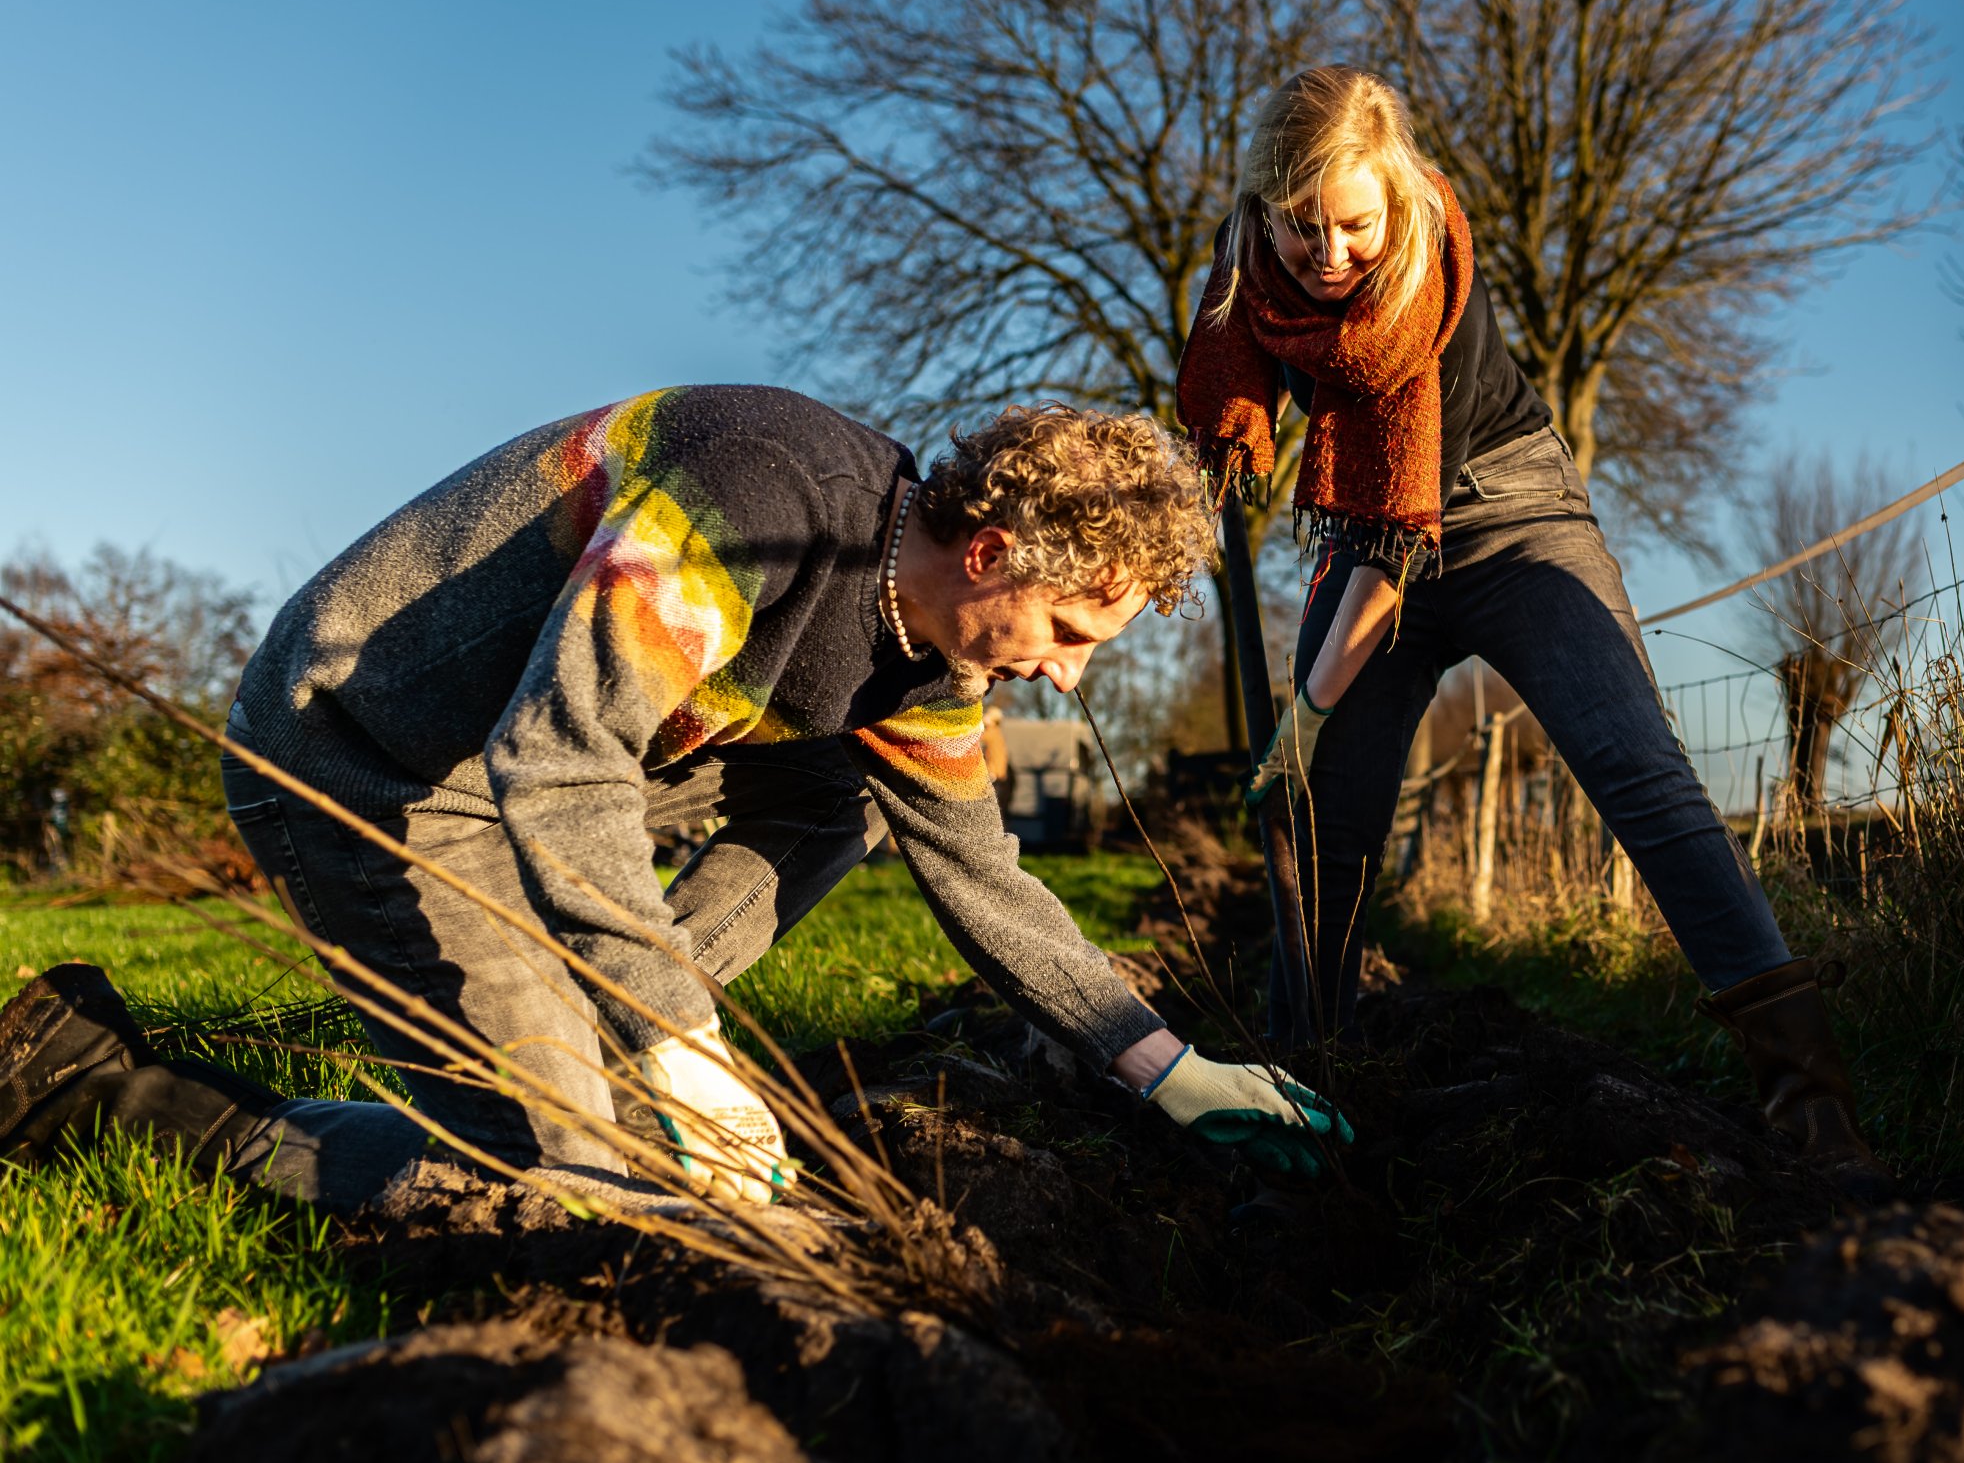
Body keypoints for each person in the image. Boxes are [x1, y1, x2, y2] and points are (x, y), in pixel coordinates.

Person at [0, 391, 1348, 1207]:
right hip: (373, 753)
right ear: (991, 552)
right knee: (568, 1182)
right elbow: (559, 756)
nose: (1065, 670)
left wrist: (1170, 1069)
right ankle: (103, 1088)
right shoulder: (758, 503)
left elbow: (985, 874)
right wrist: (684, 1039)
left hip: (540, 769)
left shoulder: (932, 657)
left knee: (849, 796)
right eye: (1067, 626)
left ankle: (609, 1033)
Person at [1176, 67, 1880, 1177]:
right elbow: (1234, 386)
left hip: (1508, 520)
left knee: (1636, 769)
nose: (1329, 254)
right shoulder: (1247, 262)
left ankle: (1810, 1101)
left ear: (1394, 197)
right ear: (1262, 206)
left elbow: (1388, 541)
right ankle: (1308, 1076)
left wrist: (1305, 710)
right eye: (1302, 226)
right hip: (1367, 533)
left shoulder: (1425, 273)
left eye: (1354, 223)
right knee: (1316, 810)